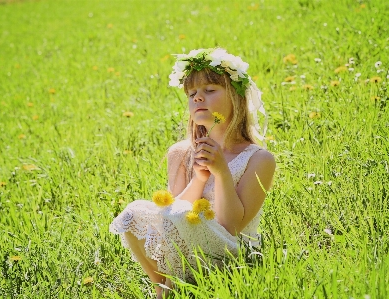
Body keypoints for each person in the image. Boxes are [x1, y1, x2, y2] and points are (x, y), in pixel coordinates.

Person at [109, 48, 276, 298]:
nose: (198, 98)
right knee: (133, 213)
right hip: (186, 246)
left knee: (180, 214)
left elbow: (232, 226)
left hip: (233, 252)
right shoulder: (180, 152)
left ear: (235, 97)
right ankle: (163, 286)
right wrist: (199, 177)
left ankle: (176, 286)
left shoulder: (259, 159)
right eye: (191, 93)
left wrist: (221, 172)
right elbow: (169, 218)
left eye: (209, 91)